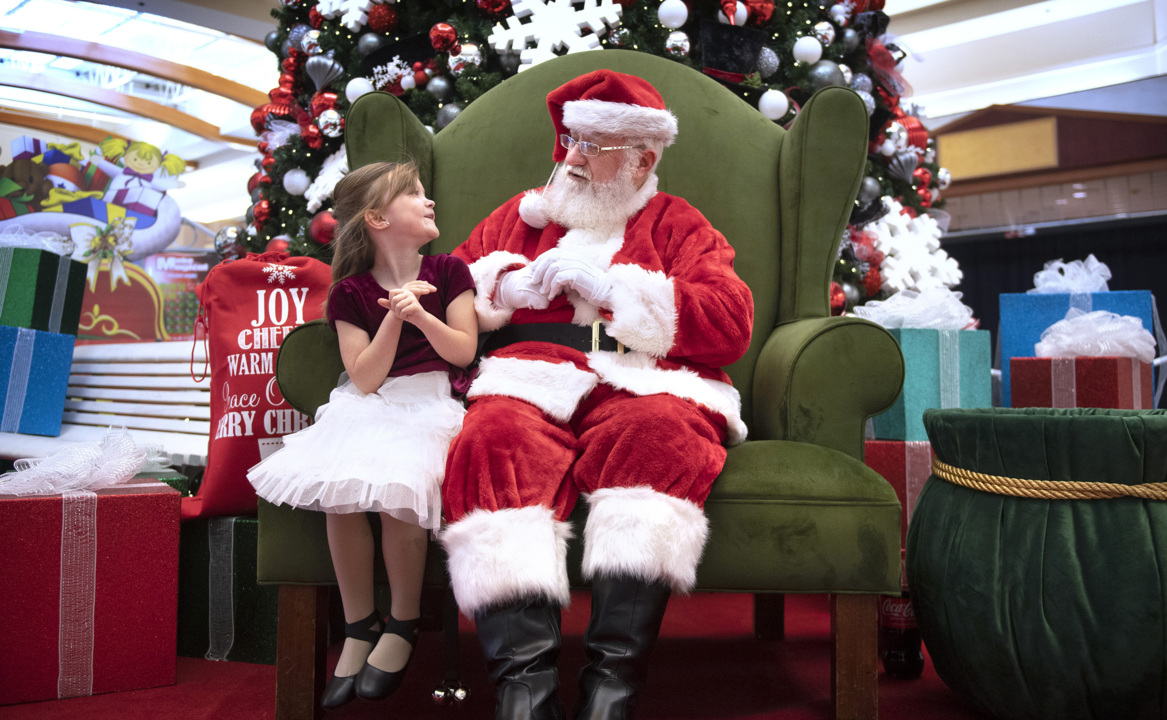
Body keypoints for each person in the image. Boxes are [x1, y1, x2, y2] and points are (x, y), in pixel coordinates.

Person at [440, 70, 754, 719]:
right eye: (570, 140)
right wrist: (498, 289)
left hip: (643, 376)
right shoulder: (520, 217)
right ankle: (524, 690)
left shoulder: (676, 224)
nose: (572, 157)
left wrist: (619, 292)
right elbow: (445, 289)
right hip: (530, 374)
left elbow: (730, 322)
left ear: (642, 159)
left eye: (594, 145)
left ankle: (611, 686)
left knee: (663, 434)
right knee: (492, 439)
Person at [247, 160, 477, 710]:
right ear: (376, 217)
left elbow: (463, 352)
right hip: (369, 403)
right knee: (340, 491)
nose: (430, 201)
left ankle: (403, 618)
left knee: (400, 489)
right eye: (414, 194)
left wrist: (420, 314)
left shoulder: (449, 271)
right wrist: (394, 316)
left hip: (429, 403)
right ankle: (358, 622)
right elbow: (367, 378)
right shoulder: (350, 292)